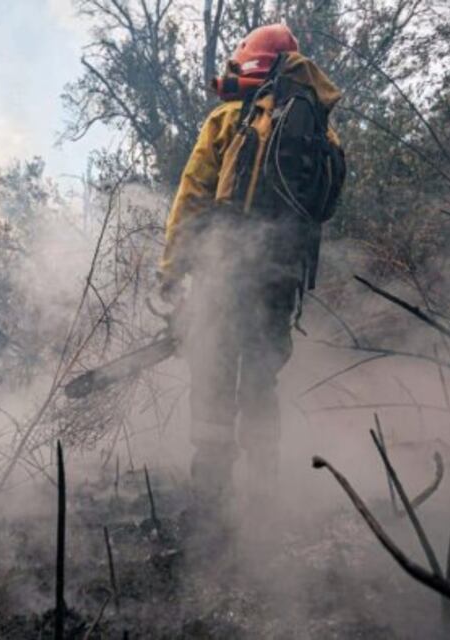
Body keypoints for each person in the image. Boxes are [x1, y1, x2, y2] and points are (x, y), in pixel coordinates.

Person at [158, 24, 345, 510]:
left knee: (215, 376)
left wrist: (173, 271)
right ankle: (263, 492)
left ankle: (211, 499)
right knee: (261, 378)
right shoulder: (320, 129)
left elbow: (192, 196)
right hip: (281, 277)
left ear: (248, 62)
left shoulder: (229, 118)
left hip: (227, 271)